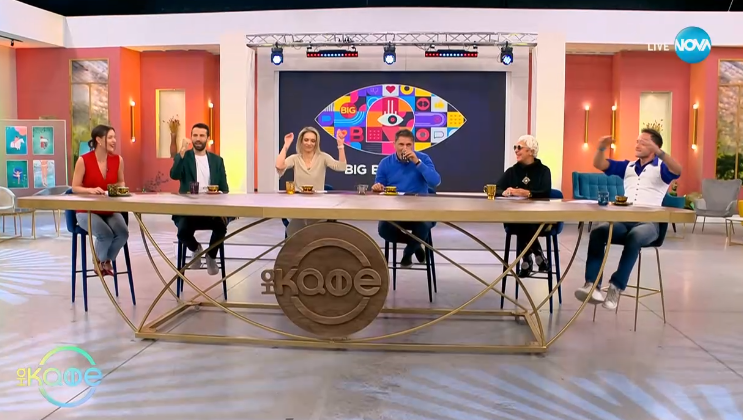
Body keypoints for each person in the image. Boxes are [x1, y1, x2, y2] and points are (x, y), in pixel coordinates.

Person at [574, 128, 682, 309]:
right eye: (637, 141)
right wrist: (601, 148)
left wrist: (659, 153)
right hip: (624, 221)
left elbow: (678, 170)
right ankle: (592, 285)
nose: (638, 145)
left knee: (635, 236)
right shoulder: (628, 167)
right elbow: (599, 164)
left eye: (643, 142)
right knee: (598, 233)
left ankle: (616, 287)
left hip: (649, 224)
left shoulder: (661, 169)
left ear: (655, 146)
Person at [373, 128, 442, 268]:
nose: (404, 148)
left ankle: (408, 253)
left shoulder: (423, 159)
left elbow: (435, 182)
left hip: (420, 210)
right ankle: (416, 245)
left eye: (408, 145)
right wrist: (378, 187)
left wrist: (417, 162)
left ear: (413, 145)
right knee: (384, 229)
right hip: (395, 210)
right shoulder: (385, 163)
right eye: (401, 144)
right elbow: (379, 185)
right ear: (394, 145)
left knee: (423, 225)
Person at [170, 123, 229, 275]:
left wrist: (217, 196)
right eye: (195, 135)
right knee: (182, 232)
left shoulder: (217, 161)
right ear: (191, 137)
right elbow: (174, 175)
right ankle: (196, 249)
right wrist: (182, 151)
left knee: (221, 227)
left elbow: (225, 189)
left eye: (202, 135)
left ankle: (211, 256)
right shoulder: (184, 157)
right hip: (189, 210)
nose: (198, 138)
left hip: (211, 210)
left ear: (207, 138)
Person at [71, 125, 129, 276]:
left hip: (109, 208)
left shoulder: (118, 160)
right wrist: (89, 190)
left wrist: (115, 188)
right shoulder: (83, 160)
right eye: (110, 137)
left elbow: (121, 182)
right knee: (105, 234)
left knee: (123, 233)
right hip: (87, 210)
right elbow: (75, 187)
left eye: (114, 137)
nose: (114, 141)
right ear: (99, 140)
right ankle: (100, 262)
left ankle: (103, 260)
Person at [495, 135, 553, 277]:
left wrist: (527, 193)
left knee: (524, 220)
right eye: (515, 147)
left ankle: (526, 260)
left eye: (519, 147)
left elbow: (546, 192)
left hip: (538, 218)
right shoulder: (512, 171)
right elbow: (496, 189)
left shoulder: (544, 171)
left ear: (531, 151)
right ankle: (538, 255)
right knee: (520, 219)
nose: (516, 150)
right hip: (515, 218)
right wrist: (506, 192)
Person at [275, 126, 347, 237]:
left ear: (316, 143)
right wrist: (286, 145)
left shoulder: (323, 157)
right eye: (306, 140)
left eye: (313, 141)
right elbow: (279, 166)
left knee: (318, 238)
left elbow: (342, 167)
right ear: (301, 141)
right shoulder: (295, 158)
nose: (309, 143)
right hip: (299, 207)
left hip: (318, 208)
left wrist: (340, 145)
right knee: (294, 237)